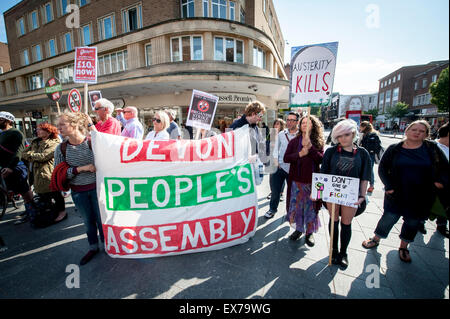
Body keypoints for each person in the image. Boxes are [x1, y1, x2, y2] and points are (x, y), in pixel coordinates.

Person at [362, 120, 448, 263]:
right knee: (388, 218)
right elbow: (382, 168)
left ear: (426, 134)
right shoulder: (395, 148)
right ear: (407, 131)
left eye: (421, 131)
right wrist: (389, 186)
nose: (417, 133)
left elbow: (445, 168)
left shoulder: (431, 148)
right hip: (397, 193)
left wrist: (440, 182)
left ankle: (404, 246)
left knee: (413, 221)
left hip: (422, 195)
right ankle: (376, 238)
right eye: (414, 129)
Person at [55, 112, 104, 266]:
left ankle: (108, 245)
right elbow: (59, 173)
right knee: (88, 222)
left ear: (74, 125)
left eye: (62, 124)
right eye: (59, 125)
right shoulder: (61, 148)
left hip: (97, 190)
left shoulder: (92, 143)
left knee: (102, 221)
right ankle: (93, 247)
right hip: (78, 193)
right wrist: (80, 169)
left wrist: (91, 124)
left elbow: (105, 154)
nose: (59, 128)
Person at [321, 119, 371, 268]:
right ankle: (334, 250)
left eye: (347, 135)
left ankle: (343, 253)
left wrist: (362, 196)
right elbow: (323, 173)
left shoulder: (362, 153)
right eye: (340, 136)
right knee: (334, 221)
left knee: (346, 223)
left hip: (352, 195)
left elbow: (365, 177)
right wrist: (318, 192)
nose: (343, 139)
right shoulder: (330, 151)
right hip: (332, 194)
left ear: (354, 134)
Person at [283, 115, 324, 246]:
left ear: (314, 126)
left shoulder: (318, 141)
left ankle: (309, 232)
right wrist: (299, 154)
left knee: (311, 208)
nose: (305, 125)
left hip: (314, 181)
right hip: (297, 181)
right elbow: (286, 158)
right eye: (303, 123)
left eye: (308, 123)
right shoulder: (294, 142)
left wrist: (311, 148)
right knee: (298, 207)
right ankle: (299, 229)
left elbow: (321, 159)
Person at [21, 123, 67, 223]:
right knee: (43, 195)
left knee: (55, 193)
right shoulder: (35, 142)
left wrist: (31, 156)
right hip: (36, 173)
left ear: (48, 131)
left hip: (49, 172)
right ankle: (50, 212)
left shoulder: (54, 142)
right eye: (37, 129)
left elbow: (44, 156)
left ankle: (62, 212)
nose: (37, 131)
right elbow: (23, 153)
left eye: (40, 129)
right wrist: (33, 156)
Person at [0, 111, 36, 224]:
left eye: (1, 119)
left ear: (8, 121)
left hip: (15, 167)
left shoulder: (16, 133)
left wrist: (11, 167)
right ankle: (28, 211)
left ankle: (33, 212)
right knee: (17, 191)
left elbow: (18, 152)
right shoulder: (1, 133)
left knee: (25, 191)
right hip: (5, 167)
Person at [264, 114, 296, 217]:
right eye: (288, 120)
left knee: (292, 192)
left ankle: (291, 212)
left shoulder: (301, 135)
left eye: (292, 120)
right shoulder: (282, 134)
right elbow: (276, 149)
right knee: (275, 191)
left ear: (297, 122)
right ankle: (272, 209)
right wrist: (276, 161)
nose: (289, 122)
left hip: (293, 169)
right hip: (279, 167)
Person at [428, 122, 449, 238]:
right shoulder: (431, 146)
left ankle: (442, 225)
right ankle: (420, 223)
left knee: (444, 205)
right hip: (430, 185)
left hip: (446, 186)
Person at [359, 121, 382, 193]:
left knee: (369, 170)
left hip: (368, 155)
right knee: (369, 169)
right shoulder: (365, 134)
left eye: (361, 126)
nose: (360, 128)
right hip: (368, 154)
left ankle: (371, 185)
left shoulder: (370, 135)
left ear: (364, 127)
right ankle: (370, 185)